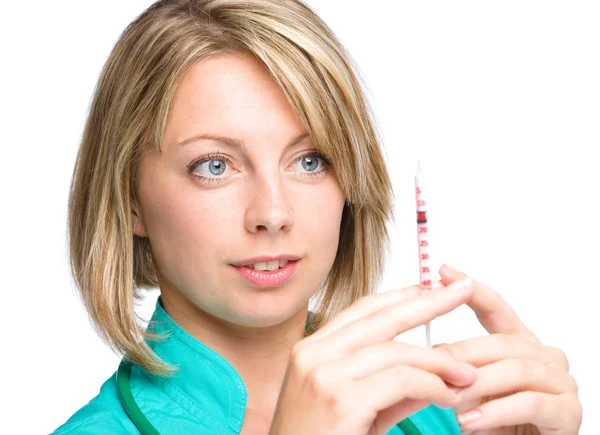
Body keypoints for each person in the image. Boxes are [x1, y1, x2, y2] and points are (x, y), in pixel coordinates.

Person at [50, 0, 582, 434]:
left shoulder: (446, 414)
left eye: (310, 160)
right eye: (214, 166)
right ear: (131, 199)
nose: (273, 213)